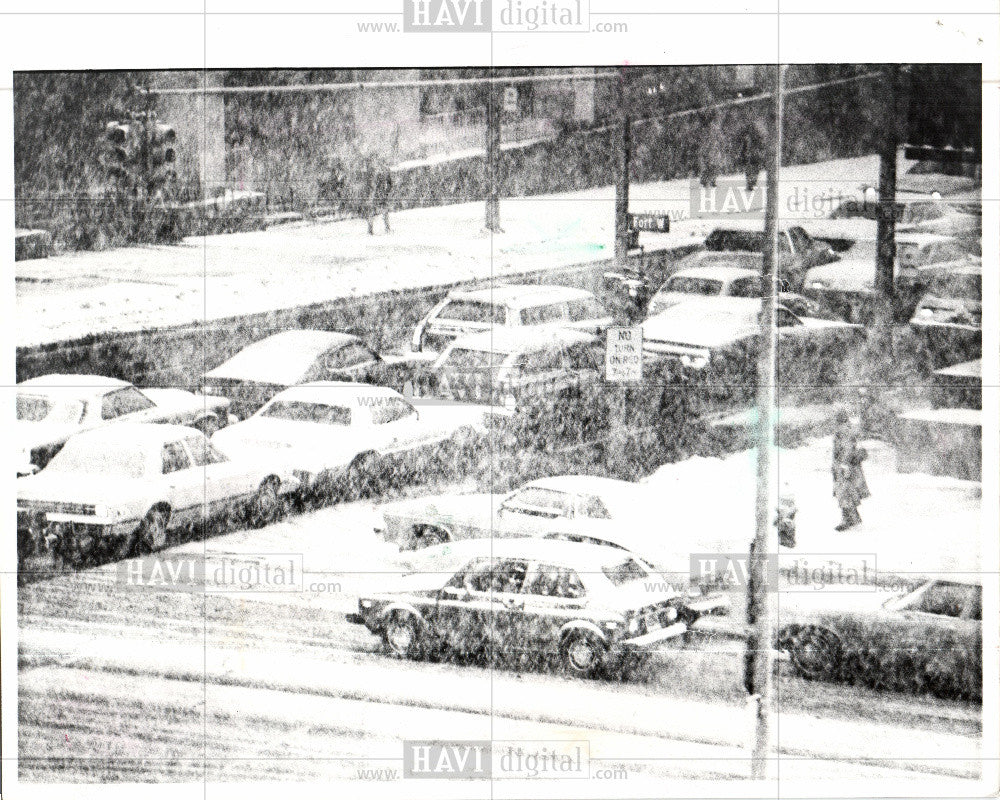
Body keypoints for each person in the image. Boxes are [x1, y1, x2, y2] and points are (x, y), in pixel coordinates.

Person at [832, 408, 870, 531]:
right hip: (847, 466)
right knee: (848, 493)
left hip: (845, 467)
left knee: (844, 494)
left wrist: (844, 465)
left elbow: (847, 449)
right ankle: (853, 518)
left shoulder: (843, 431)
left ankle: (848, 520)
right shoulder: (846, 429)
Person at [364, 157, 393, 235]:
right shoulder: (385, 170)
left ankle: (370, 229)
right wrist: (386, 192)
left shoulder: (374, 170)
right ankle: (386, 227)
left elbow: (370, 184)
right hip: (381, 193)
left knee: (373, 211)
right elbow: (389, 183)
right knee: (383, 210)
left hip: (376, 194)